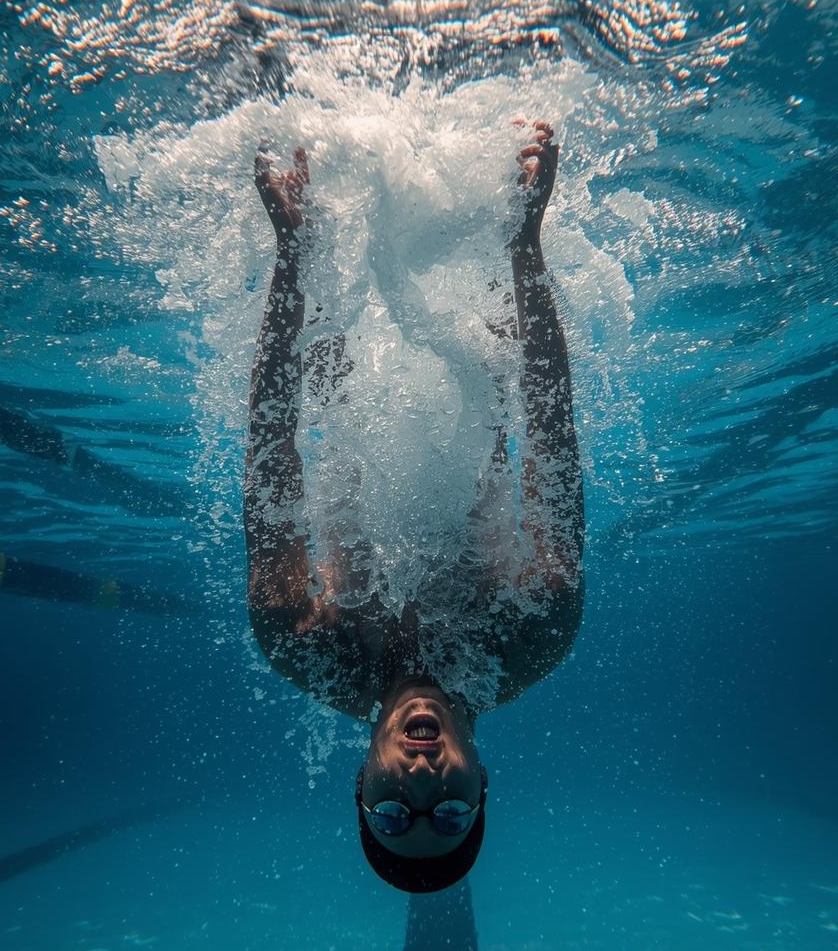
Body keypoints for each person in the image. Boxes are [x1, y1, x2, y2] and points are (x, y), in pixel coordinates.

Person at [244, 120, 584, 892]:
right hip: (474, 347)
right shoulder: (538, 631)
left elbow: (272, 451)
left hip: (347, 347)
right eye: (450, 814)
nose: (421, 785)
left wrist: (291, 259)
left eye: (392, 813)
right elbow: (552, 431)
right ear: (483, 784)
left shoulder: (301, 643)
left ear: (360, 783)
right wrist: (525, 240)